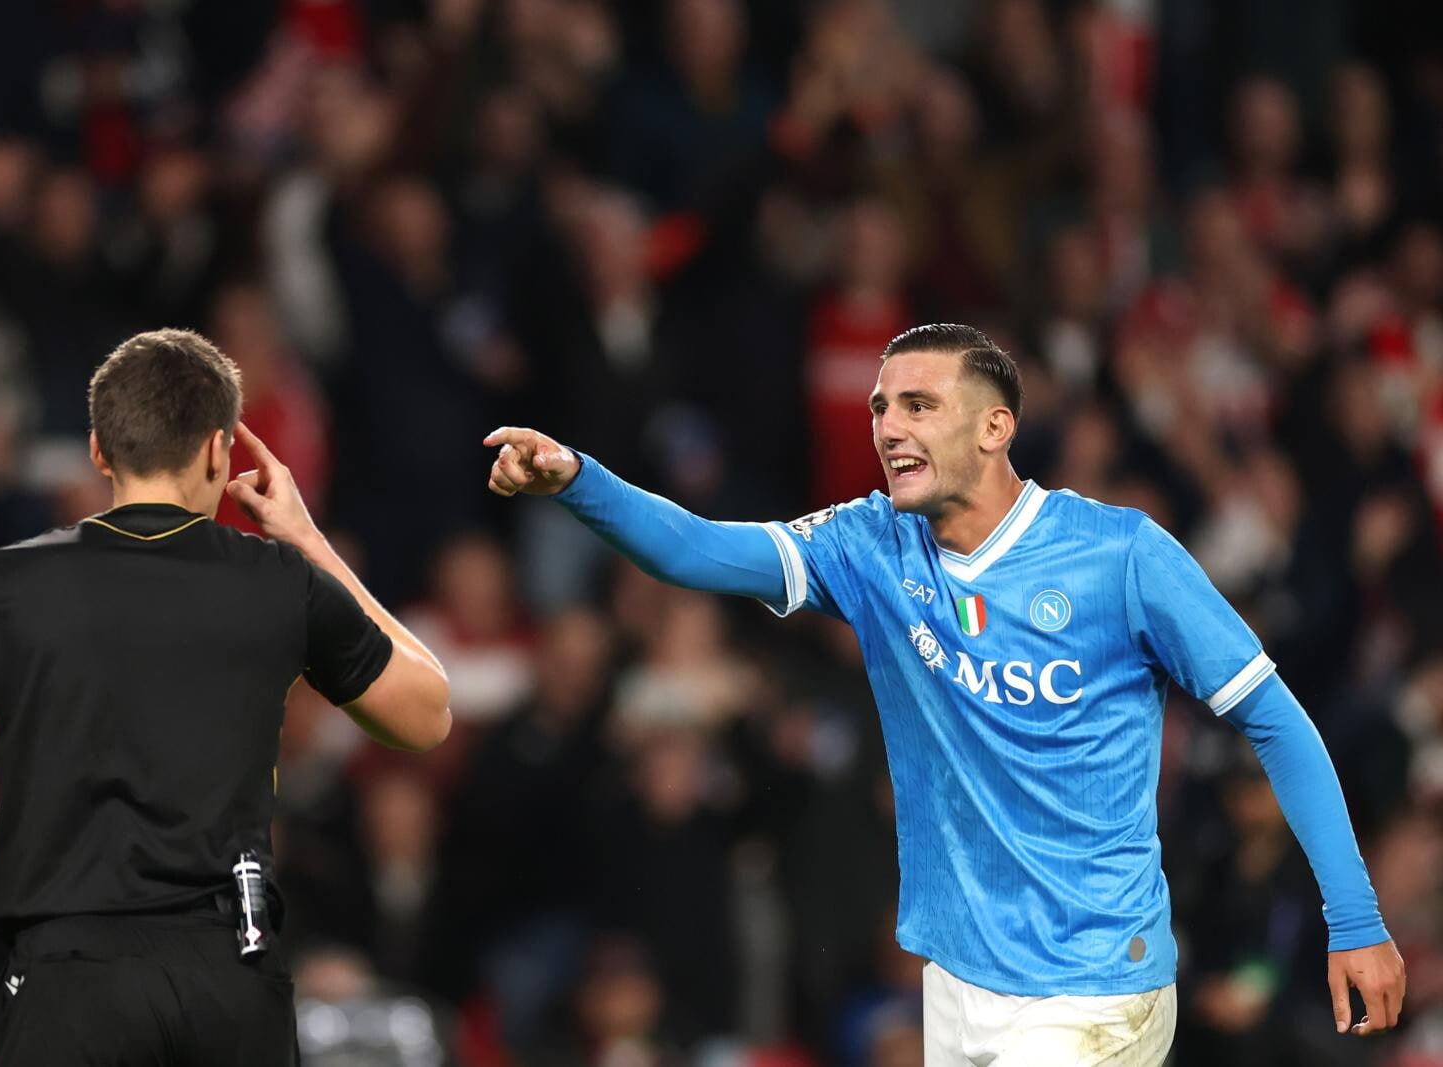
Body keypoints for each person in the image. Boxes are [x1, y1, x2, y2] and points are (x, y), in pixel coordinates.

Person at [483, 323, 1405, 1066]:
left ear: (994, 427)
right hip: (957, 981)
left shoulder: (1119, 554)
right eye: (881, 407)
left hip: (1093, 985)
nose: (889, 427)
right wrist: (577, 480)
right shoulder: (869, 545)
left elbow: (1274, 719)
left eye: (919, 405)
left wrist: (1355, 918)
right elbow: (697, 549)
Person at [0, 328, 451, 1066]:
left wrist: (18, 830)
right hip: (226, 978)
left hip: (65, 982)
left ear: (99, 450)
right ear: (218, 451)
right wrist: (310, 543)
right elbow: (426, 713)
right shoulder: (277, 579)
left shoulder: (3, 587)